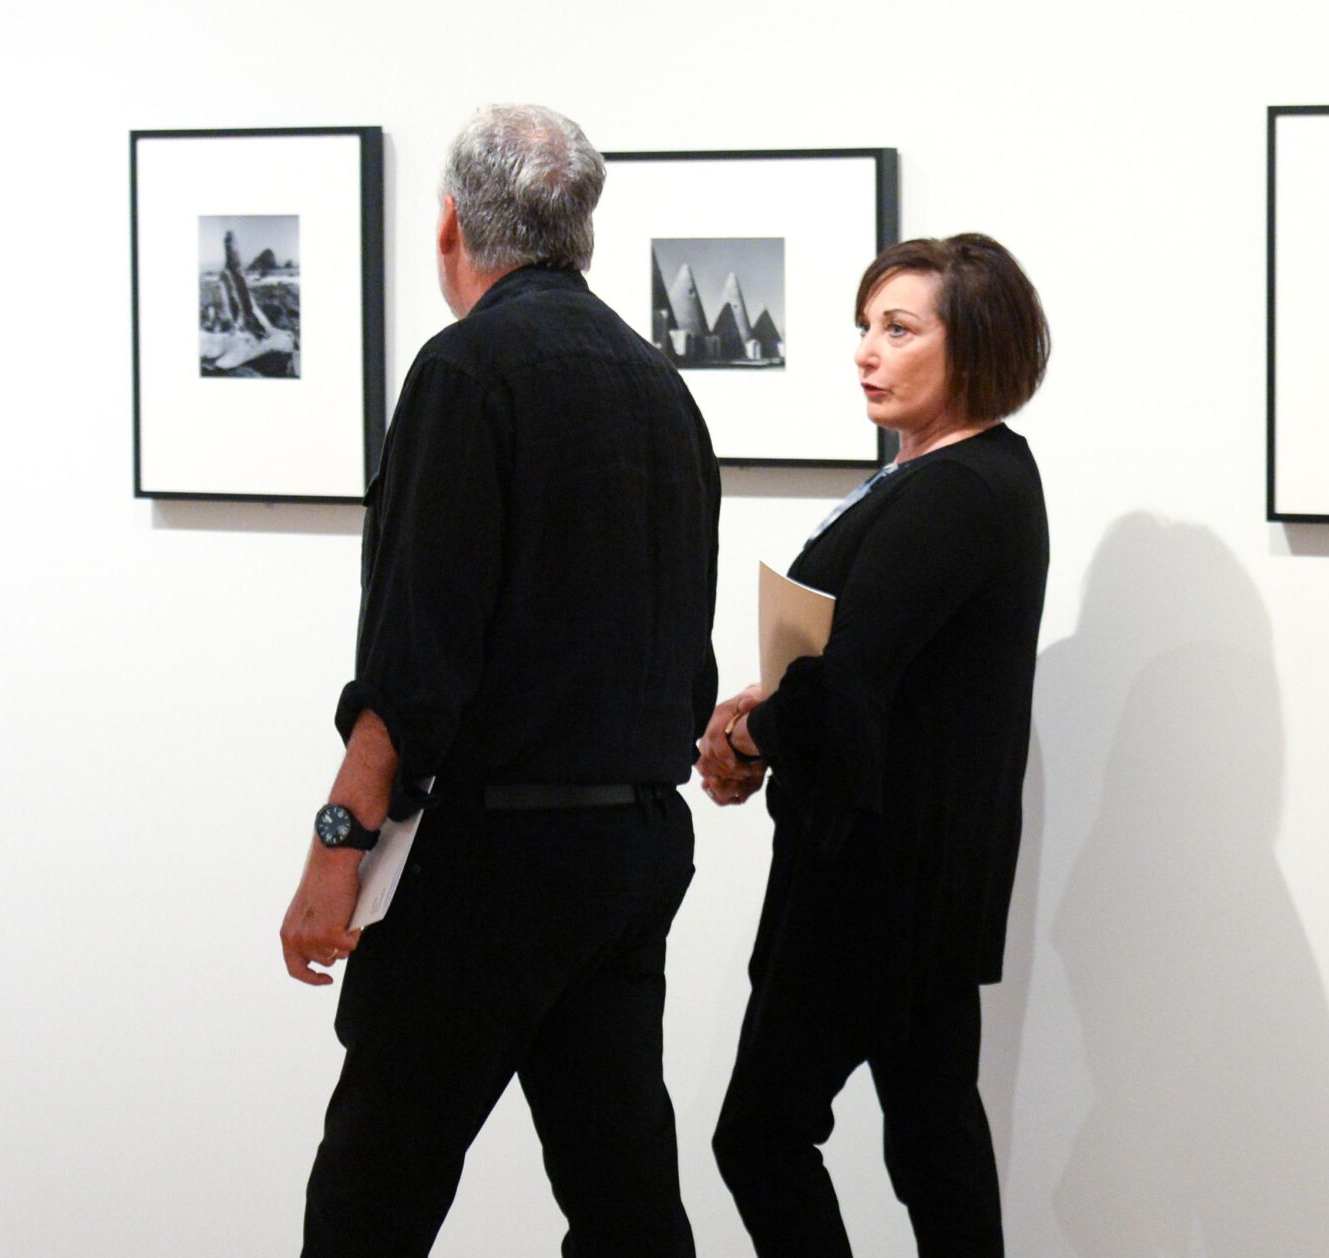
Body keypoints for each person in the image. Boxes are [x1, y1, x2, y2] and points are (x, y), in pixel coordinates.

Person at [277, 103, 718, 1258]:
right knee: (626, 1205)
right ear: (582, 230)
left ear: (447, 227)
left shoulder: (466, 371)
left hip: (482, 869)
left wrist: (337, 849)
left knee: (370, 1201)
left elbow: (416, 659)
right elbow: (683, 653)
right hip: (625, 856)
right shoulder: (660, 387)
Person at [698, 234, 1051, 1257]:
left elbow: (853, 680)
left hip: (874, 876)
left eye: (899, 329)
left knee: (761, 1135)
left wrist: (749, 734)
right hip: (917, 872)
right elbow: (871, 660)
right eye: (865, 326)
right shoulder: (961, 476)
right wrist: (768, 709)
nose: (867, 352)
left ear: (973, 341)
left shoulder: (956, 488)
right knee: (933, 1137)